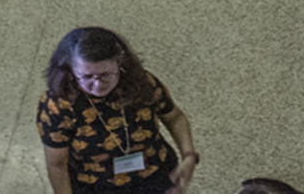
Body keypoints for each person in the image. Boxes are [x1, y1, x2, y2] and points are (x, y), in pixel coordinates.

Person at [37, 24, 199, 194]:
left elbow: (174, 117)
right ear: (71, 69)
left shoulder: (142, 83)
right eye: (87, 76)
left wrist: (188, 155)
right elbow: (57, 165)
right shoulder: (57, 104)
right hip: (96, 186)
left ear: (119, 63)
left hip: (154, 174)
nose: (98, 84)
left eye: (106, 74)